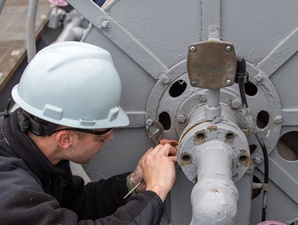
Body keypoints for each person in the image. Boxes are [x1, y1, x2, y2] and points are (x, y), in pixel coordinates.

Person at [0, 41, 178, 224]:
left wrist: (133, 182)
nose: (111, 137)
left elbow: (72, 204)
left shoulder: (40, 154)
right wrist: (157, 189)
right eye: (101, 134)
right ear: (65, 139)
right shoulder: (12, 199)